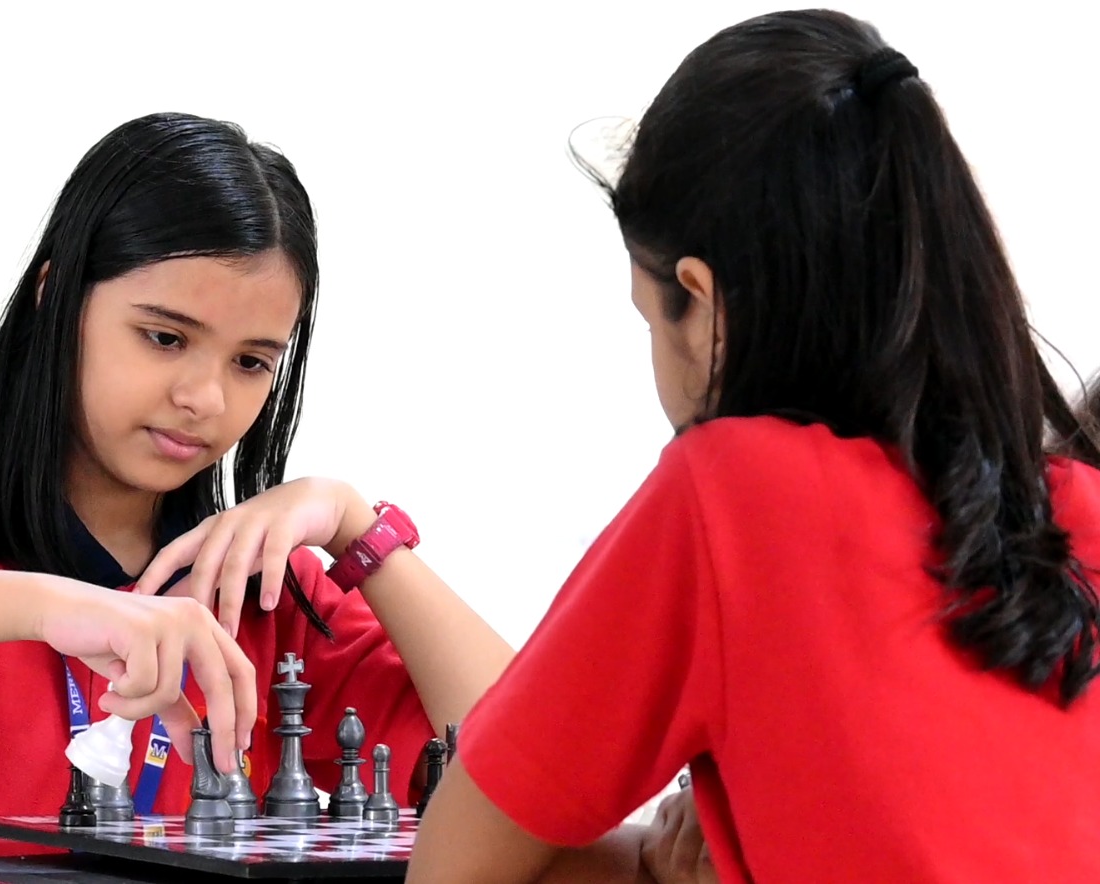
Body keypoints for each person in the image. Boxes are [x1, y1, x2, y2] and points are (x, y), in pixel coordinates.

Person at [0, 111, 513, 828]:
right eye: (165, 337)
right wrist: (53, 607)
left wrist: (355, 524)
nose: (204, 397)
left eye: (252, 361)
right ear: (56, 301)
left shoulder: (258, 590)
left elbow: (518, 758)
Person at [409, 10, 1100, 883]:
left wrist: (651, 865)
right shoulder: (1081, 505)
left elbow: (453, 867)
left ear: (702, 305)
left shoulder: (735, 493)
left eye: (647, 317)